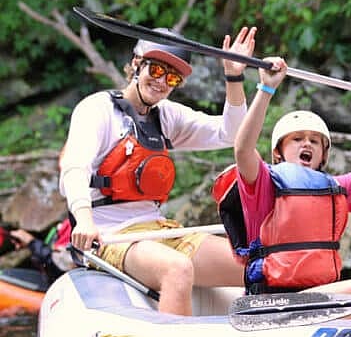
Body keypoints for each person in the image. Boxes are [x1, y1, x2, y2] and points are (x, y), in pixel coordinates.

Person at [60, 27, 256, 315]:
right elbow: (74, 167)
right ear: (137, 64)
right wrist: (84, 220)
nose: (162, 81)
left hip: (158, 231)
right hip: (109, 234)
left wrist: (234, 76)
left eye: (172, 77)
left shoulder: (167, 116)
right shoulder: (97, 109)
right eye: (156, 69)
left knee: (251, 266)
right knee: (177, 269)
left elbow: (232, 133)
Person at [220, 57, 351, 320]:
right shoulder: (262, 182)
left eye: (315, 141)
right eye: (297, 139)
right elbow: (243, 149)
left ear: (324, 155)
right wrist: (266, 89)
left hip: (321, 295)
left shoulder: (336, 187)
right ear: (277, 153)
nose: (308, 144)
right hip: (272, 302)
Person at [5, 219, 74, 285]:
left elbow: (65, 263)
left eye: (17, 241)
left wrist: (32, 242)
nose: (18, 247)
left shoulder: (69, 227)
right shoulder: (38, 252)